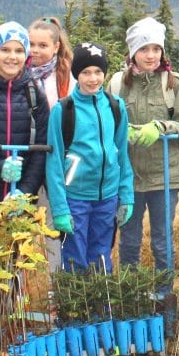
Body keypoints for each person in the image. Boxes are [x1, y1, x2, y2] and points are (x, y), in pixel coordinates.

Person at [106, 17, 179, 270]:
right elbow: (106, 125)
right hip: (129, 177)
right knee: (129, 241)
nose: (151, 55)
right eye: (144, 49)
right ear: (133, 52)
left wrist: (161, 127)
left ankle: (164, 297)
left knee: (162, 240)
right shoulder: (116, 84)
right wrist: (120, 132)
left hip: (165, 176)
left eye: (156, 49)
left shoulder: (173, 83)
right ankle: (131, 296)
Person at [45, 42, 133, 272]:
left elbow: (122, 153)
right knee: (74, 258)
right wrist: (60, 209)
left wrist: (127, 195)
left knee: (102, 255)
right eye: (86, 72)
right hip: (75, 197)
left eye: (98, 72)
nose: (93, 78)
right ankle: (75, 307)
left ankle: (101, 307)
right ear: (77, 75)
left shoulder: (116, 107)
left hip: (107, 197)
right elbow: (53, 163)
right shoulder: (63, 110)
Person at [0, 21, 50, 207]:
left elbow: (41, 147)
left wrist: (25, 192)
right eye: (5, 50)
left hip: (21, 196)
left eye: (18, 51)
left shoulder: (34, 93)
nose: (12, 57)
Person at [27, 16, 72, 107]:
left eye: (43, 46)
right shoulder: (20, 72)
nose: (35, 50)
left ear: (56, 47)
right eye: (31, 44)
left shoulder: (65, 73)